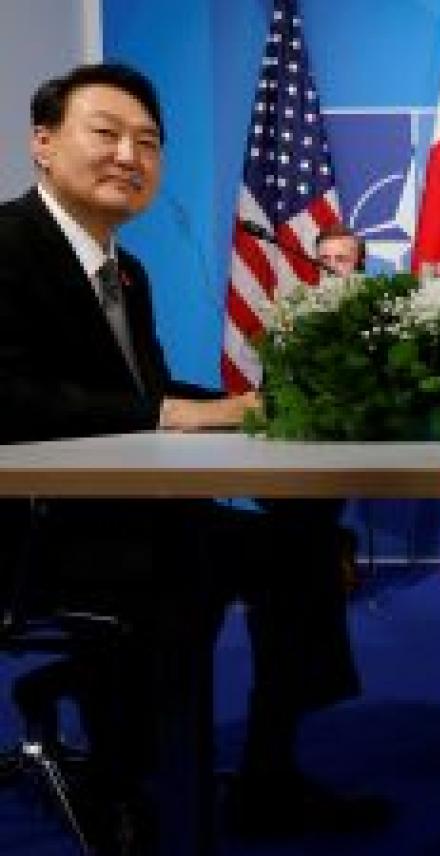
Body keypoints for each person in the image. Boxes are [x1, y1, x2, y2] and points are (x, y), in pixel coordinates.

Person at [0, 63, 390, 847]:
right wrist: (177, 411)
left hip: (127, 513)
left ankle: (268, 776)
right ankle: (131, 775)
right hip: (37, 532)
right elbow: (17, 397)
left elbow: (139, 385)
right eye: (105, 133)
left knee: (302, 538)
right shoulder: (7, 246)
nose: (128, 156)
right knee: (181, 568)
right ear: (43, 144)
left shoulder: (126, 270)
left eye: (147, 142)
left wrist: (246, 409)